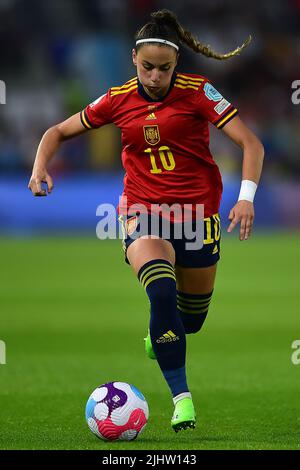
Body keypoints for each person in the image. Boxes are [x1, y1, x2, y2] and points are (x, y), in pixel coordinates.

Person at [28, 9, 264, 433]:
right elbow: (57, 132)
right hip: (141, 213)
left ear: (177, 65)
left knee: (189, 322)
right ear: (134, 59)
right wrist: (39, 167)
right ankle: (182, 400)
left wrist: (245, 198)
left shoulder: (200, 93)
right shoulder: (117, 99)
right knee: (160, 292)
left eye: (165, 69)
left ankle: (161, 334)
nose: (156, 77)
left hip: (197, 219)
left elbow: (251, 143)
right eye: (147, 67)